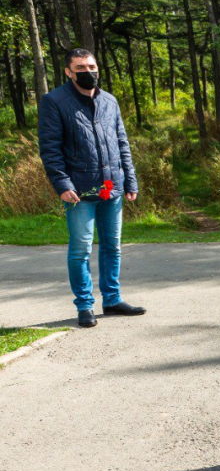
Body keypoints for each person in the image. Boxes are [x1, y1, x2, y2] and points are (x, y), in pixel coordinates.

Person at [38, 49, 145, 328]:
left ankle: (112, 300)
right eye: (81, 67)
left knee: (113, 247)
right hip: (79, 190)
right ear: (68, 72)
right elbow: (50, 148)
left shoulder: (110, 100)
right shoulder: (54, 101)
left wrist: (130, 180)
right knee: (81, 249)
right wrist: (61, 184)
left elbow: (122, 143)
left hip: (113, 187)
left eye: (92, 66)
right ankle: (85, 305)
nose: (88, 71)